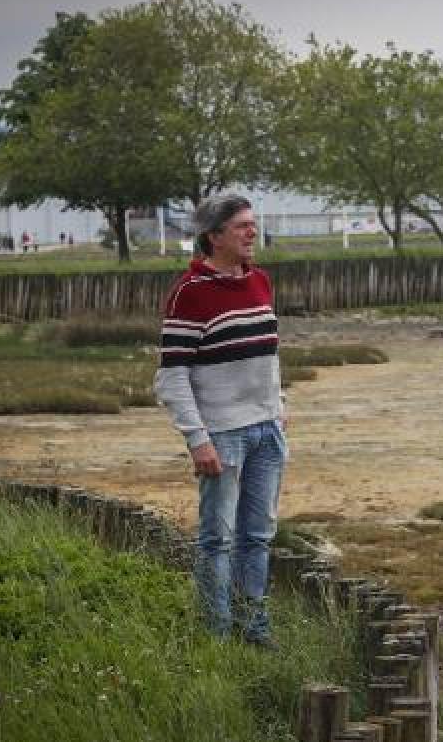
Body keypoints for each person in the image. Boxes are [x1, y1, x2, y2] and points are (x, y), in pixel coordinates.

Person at [153, 193, 287, 647]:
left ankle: (255, 630)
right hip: (222, 435)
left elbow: (266, 356)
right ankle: (216, 636)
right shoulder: (190, 293)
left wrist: (278, 409)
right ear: (214, 237)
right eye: (241, 226)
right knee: (218, 540)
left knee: (259, 537)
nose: (252, 232)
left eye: (253, 224)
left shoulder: (261, 282)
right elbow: (172, 376)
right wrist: (198, 440)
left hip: (268, 431)